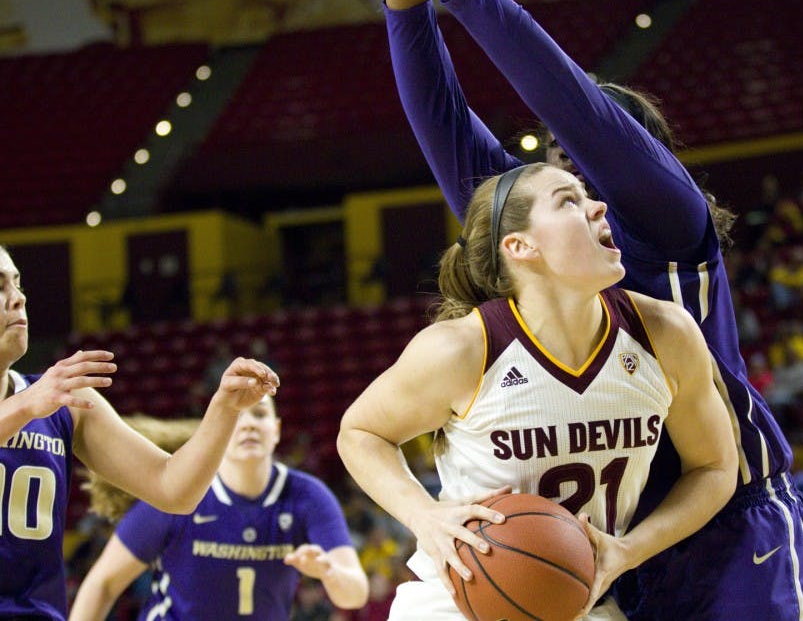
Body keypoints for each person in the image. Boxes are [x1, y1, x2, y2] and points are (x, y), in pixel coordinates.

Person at [380, 0, 803, 617]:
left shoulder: (668, 218)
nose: (571, 174)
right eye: (559, 166)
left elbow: (566, 97)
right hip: (606, 546)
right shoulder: (544, 238)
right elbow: (441, 122)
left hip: (731, 522)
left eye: (580, 156)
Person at [337, 164, 739, 619]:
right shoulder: (463, 348)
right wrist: (424, 516)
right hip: (458, 601)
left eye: (586, 194)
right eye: (568, 200)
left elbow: (714, 467)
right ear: (520, 246)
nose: (598, 205)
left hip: (582, 600)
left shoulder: (665, 333)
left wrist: (628, 550)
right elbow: (360, 432)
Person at [0, 245, 280, 620]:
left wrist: (225, 409)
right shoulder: (38, 400)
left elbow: (173, 489)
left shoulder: (62, 401)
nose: (17, 299)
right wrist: (24, 406)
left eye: (17, 283)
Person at [69, 401, 369, 620]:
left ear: (276, 430)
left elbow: (355, 593)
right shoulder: (179, 491)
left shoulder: (308, 496)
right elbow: (103, 583)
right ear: (217, 429)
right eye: (237, 416)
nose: (249, 423)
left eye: (260, 414)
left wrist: (328, 572)